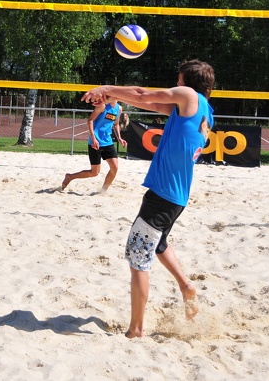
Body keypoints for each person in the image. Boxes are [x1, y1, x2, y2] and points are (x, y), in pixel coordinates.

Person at [81, 59, 215, 338]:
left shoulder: (188, 95)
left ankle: (136, 329)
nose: (176, 83)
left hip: (164, 195)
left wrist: (105, 87)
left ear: (185, 80)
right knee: (158, 243)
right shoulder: (204, 110)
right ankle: (185, 285)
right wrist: (112, 95)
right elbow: (150, 104)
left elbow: (144, 94)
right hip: (174, 195)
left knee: (137, 256)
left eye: (178, 79)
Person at [61, 98, 127, 192]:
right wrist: (93, 138)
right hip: (95, 142)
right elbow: (90, 120)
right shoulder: (102, 106)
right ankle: (70, 176)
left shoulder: (119, 108)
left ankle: (103, 190)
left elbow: (115, 124)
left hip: (108, 141)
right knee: (94, 172)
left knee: (115, 167)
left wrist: (119, 138)